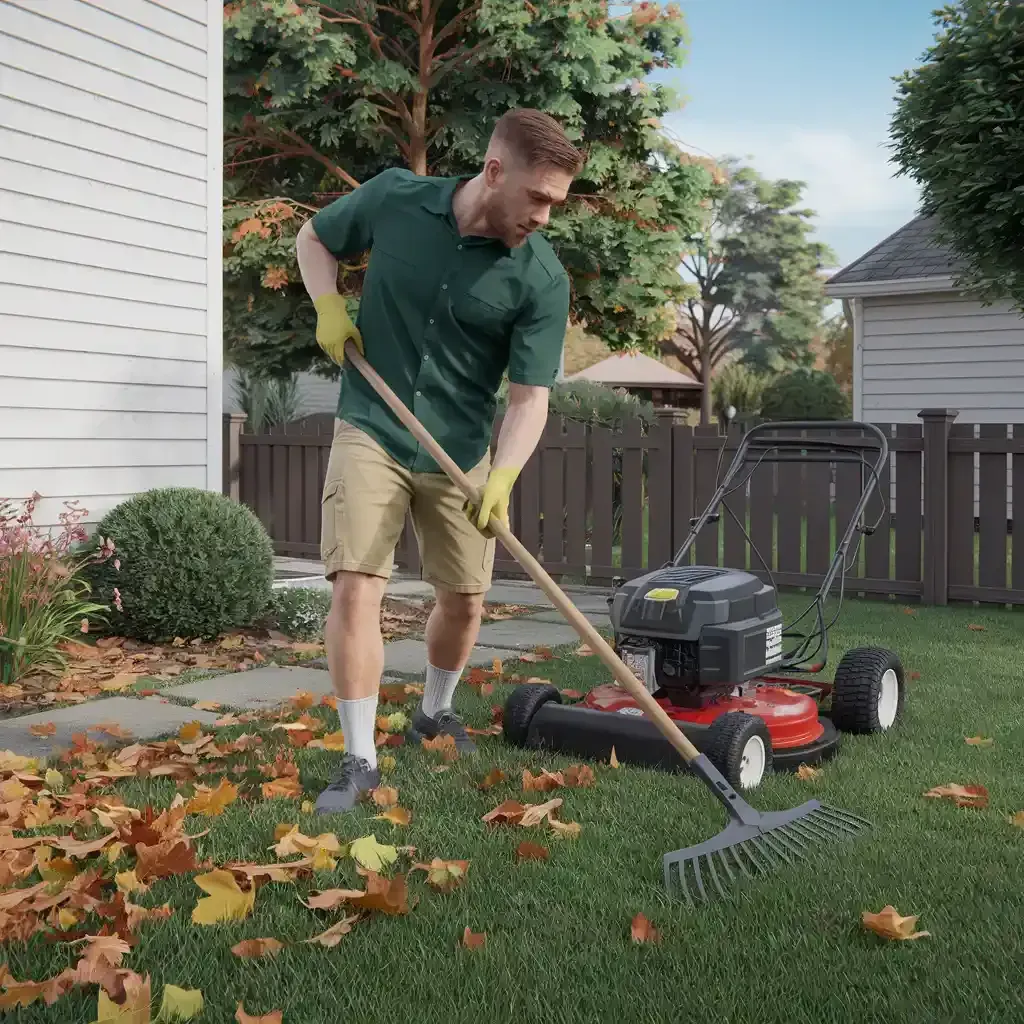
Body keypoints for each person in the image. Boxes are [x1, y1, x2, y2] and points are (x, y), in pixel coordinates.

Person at [294, 108, 586, 814]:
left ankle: (435, 710)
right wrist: (328, 304)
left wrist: (505, 474)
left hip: (459, 448)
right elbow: (314, 238)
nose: (546, 216)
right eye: (538, 198)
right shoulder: (396, 198)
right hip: (373, 424)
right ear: (493, 172)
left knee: (465, 599)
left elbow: (528, 399)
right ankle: (359, 757)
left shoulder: (540, 279)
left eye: (557, 203)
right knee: (357, 583)